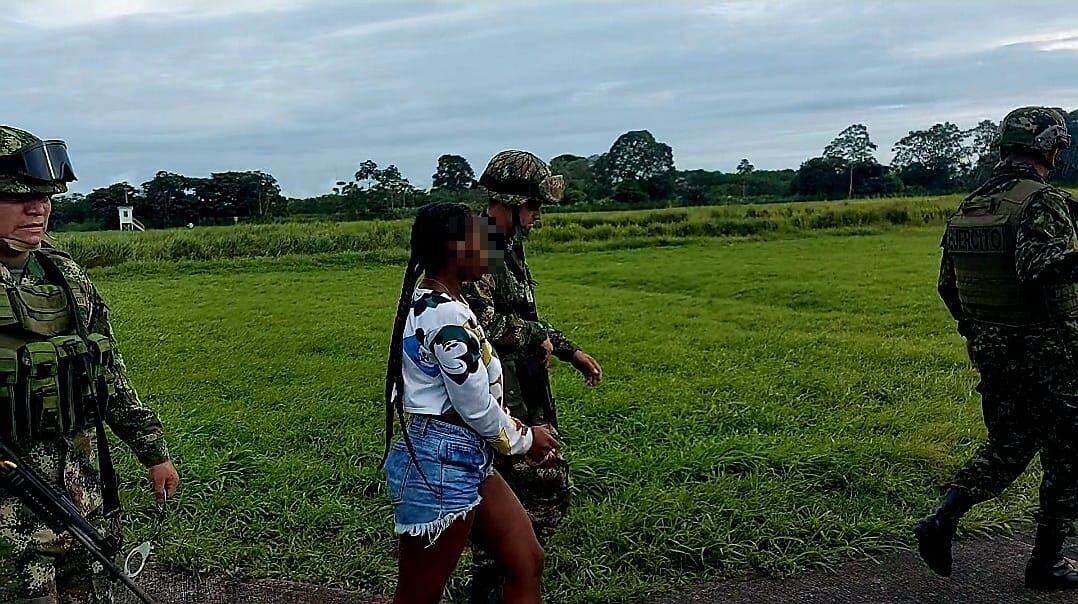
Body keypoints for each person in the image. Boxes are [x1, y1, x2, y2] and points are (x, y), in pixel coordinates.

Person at [0, 125, 180, 603]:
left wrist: (152, 451)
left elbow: (106, 372)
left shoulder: (65, 276)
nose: (37, 209)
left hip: (78, 495)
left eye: (45, 197)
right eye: (17, 197)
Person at [918, 106, 1078, 589]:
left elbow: (948, 286)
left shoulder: (971, 207)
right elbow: (1040, 266)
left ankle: (944, 516)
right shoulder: (1042, 202)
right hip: (1052, 351)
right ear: (1051, 149)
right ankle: (1047, 562)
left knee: (1010, 443)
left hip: (994, 349)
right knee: (1068, 454)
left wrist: (978, 333)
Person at [382, 202, 560, 604]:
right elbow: (475, 407)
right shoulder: (444, 316)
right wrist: (527, 440)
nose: (489, 249)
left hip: (465, 454)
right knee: (418, 596)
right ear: (456, 249)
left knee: (526, 560)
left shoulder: (446, 303)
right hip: (440, 461)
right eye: (480, 240)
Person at [462, 151, 602, 603]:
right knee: (545, 487)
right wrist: (540, 337)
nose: (539, 215)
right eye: (534, 205)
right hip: (500, 399)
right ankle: (498, 580)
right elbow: (479, 325)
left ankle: (499, 580)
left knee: (529, 493)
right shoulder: (478, 247)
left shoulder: (508, 245)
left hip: (523, 390)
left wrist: (568, 349)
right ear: (510, 202)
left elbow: (521, 314)